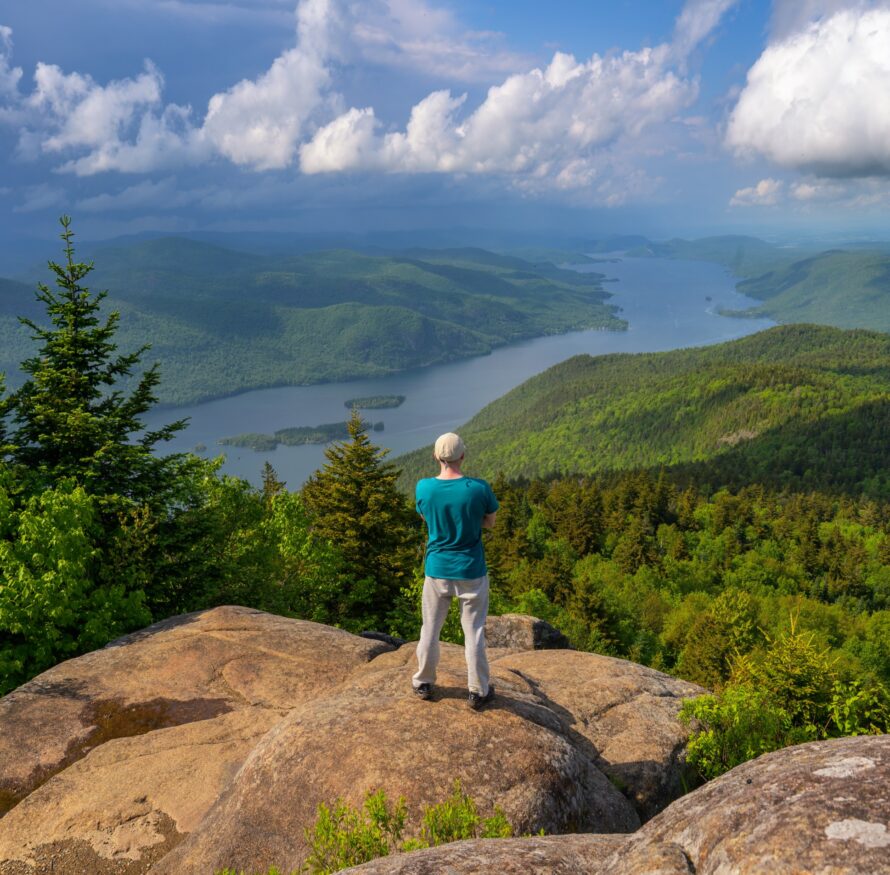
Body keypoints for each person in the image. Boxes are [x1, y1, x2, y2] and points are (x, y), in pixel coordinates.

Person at [412, 432, 499, 710]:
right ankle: (478, 690)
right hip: (471, 569)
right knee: (473, 632)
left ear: (437, 457)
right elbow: (490, 523)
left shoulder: (424, 488)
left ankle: (423, 682)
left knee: (430, 628)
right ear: (463, 456)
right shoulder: (479, 488)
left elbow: (426, 518)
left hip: (437, 569)